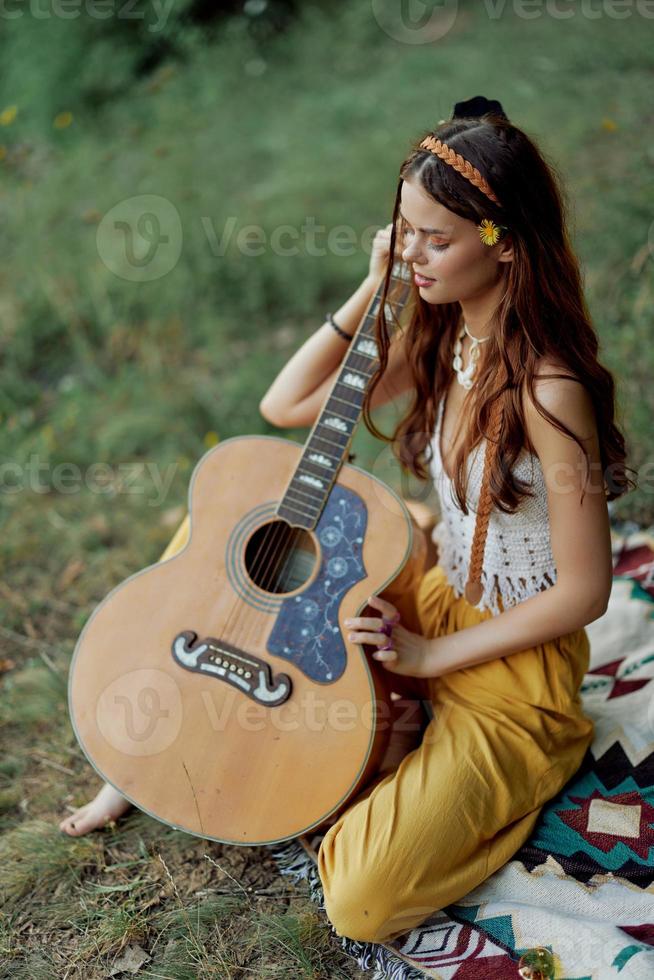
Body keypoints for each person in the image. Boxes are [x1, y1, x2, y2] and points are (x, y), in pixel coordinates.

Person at [61, 95, 634, 950]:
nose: (413, 253)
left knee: (359, 902)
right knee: (225, 524)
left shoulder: (550, 393)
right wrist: (374, 288)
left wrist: (433, 657)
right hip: (436, 597)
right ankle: (148, 754)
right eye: (403, 230)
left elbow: (587, 591)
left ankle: (448, 781)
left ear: (503, 241)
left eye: (434, 239)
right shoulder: (445, 339)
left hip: (518, 670)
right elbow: (283, 403)